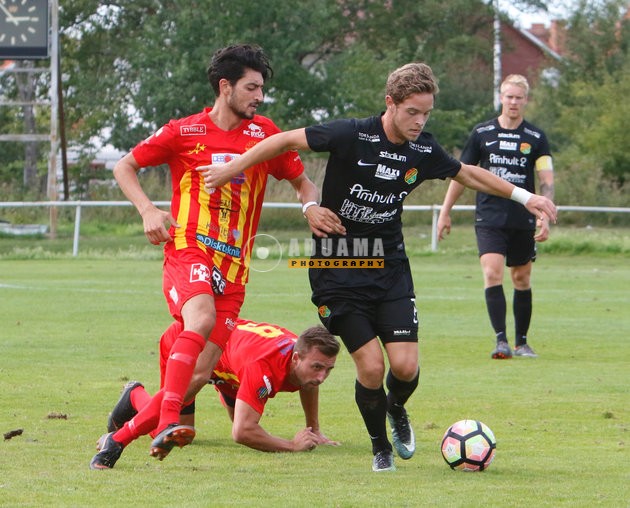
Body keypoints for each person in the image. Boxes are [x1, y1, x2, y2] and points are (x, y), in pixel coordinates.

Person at [197, 63, 557, 472]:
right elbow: (282, 140)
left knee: (405, 367)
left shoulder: (422, 150)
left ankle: (396, 407)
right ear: (391, 103)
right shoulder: (352, 134)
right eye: (412, 112)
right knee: (371, 366)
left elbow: (468, 173)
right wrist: (235, 169)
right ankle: (380, 448)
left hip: (389, 267)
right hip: (337, 270)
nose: (420, 121)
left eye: (426, 113)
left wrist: (527, 197)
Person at [110, 44, 341, 462]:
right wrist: (148, 210)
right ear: (225, 87)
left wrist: (309, 206)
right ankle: (147, 427)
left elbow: (302, 182)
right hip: (190, 249)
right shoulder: (184, 131)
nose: (260, 96)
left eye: (262, 88)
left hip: (234, 268)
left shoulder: (265, 134)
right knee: (200, 319)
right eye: (252, 87)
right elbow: (124, 166)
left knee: (199, 376)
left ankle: (136, 402)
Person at [90, 319, 340, 469]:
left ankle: (132, 410)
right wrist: (292, 446)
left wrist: (315, 429)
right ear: (296, 358)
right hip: (189, 344)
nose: (321, 377)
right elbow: (242, 433)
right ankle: (135, 395)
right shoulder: (262, 367)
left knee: (196, 429)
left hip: (226, 365)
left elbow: (309, 383)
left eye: (328, 370)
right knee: (169, 433)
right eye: (317, 367)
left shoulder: (299, 357)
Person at [437, 74, 555, 360]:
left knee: (521, 278)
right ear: (501, 97)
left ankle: (522, 342)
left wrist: (546, 213)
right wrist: (445, 211)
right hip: (489, 216)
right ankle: (501, 341)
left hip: (523, 218)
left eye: (518, 97)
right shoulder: (482, 133)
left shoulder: (536, 137)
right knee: (492, 272)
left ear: (526, 100)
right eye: (509, 96)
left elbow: (546, 179)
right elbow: (461, 174)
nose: (513, 102)